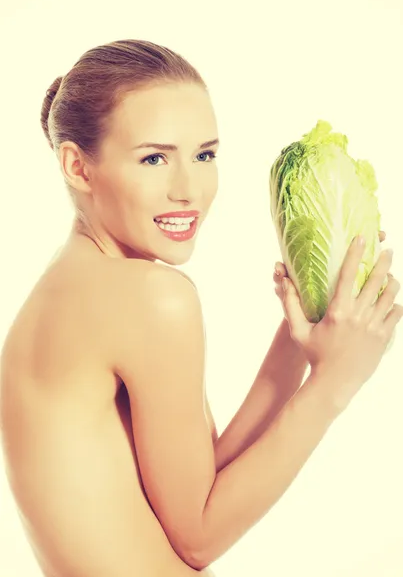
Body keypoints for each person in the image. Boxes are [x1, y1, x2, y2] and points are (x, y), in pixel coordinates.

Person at [0, 38, 401, 577]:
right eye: (154, 158)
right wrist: (335, 383)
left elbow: (200, 487)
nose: (189, 189)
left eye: (205, 155)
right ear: (77, 165)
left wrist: (301, 328)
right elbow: (198, 538)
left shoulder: (70, 283)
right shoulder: (151, 296)